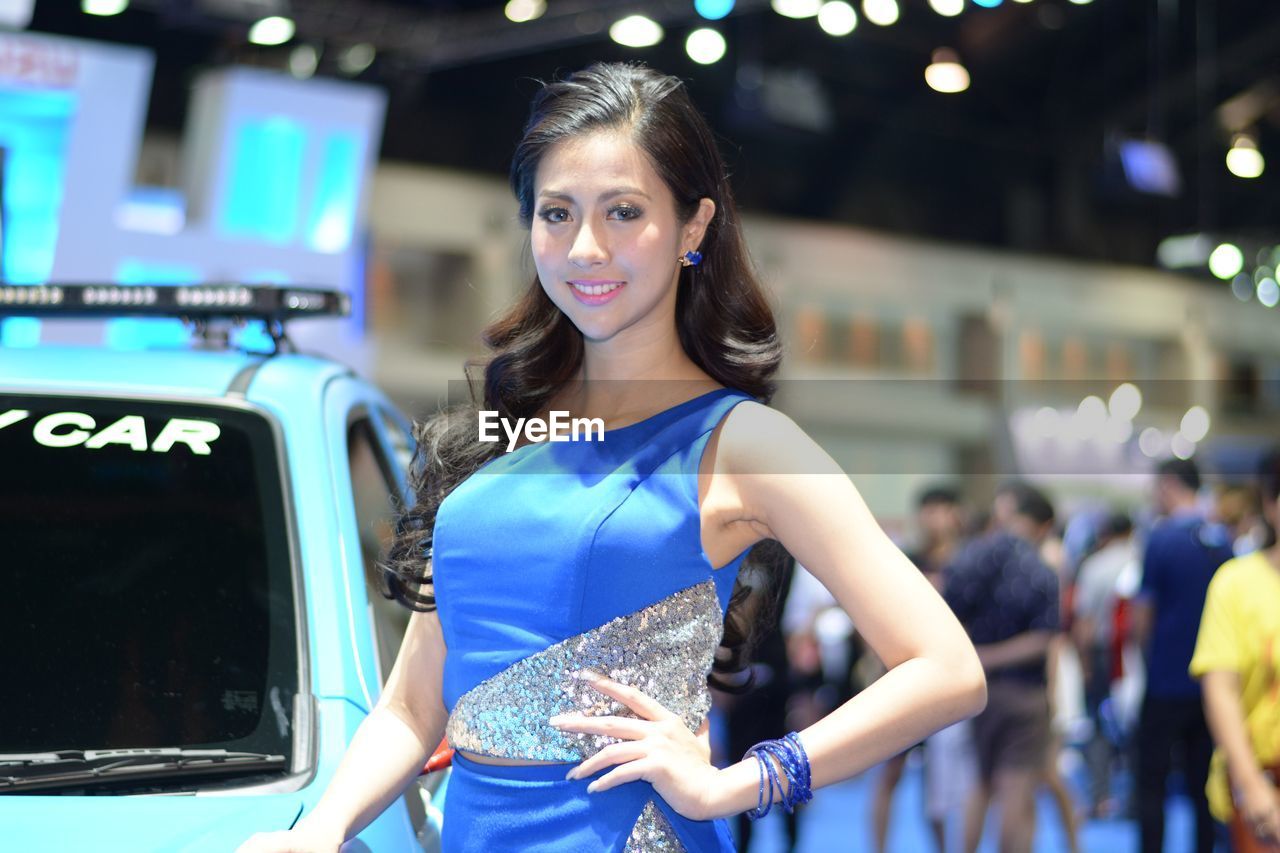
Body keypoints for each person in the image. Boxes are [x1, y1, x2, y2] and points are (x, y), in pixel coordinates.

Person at [237, 62, 986, 853]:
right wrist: (319, 829)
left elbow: (946, 668)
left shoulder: (742, 444)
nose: (586, 248)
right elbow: (412, 705)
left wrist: (744, 780)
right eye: (556, 214)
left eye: (624, 212)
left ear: (694, 228)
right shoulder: (498, 433)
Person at [945, 483, 1061, 853]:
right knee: (1015, 789)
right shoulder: (1042, 568)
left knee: (979, 784)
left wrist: (976, 658)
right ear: (1043, 525)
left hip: (978, 692)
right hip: (1025, 692)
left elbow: (947, 615)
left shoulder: (971, 558)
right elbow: (1045, 637)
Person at [1132, 457, 1234, 853]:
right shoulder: (1221, 539)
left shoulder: (1161, 538)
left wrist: (1148, 656)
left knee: (1152, 782)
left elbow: (1144, 614)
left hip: (1164, 681)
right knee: (1202, 784)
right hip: (1211, 684)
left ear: (1171, 485)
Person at [1190, 448, 1280, 853]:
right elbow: (1220, 689)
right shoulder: (1236, 583)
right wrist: (1251, 785)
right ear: (1270, 503)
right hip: (1263, 778)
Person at [872, 485, 970, 853]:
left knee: (940, 786)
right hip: (902, 679)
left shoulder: (967, 564)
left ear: (955, 514)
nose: (933, 518)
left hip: (946, 685)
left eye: (940, 509)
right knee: (888, 773)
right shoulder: (905, 559)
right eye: (927, 510)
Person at [1071, 511, 1136, 819]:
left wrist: (1083, 664)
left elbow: (1083, 622)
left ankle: (1100, 796)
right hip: (1136, 656)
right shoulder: (1142, 559)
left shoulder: (1095, 566)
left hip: (1102, 654)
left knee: (1098, 724)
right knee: (1136, 724)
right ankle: (1136, 798)